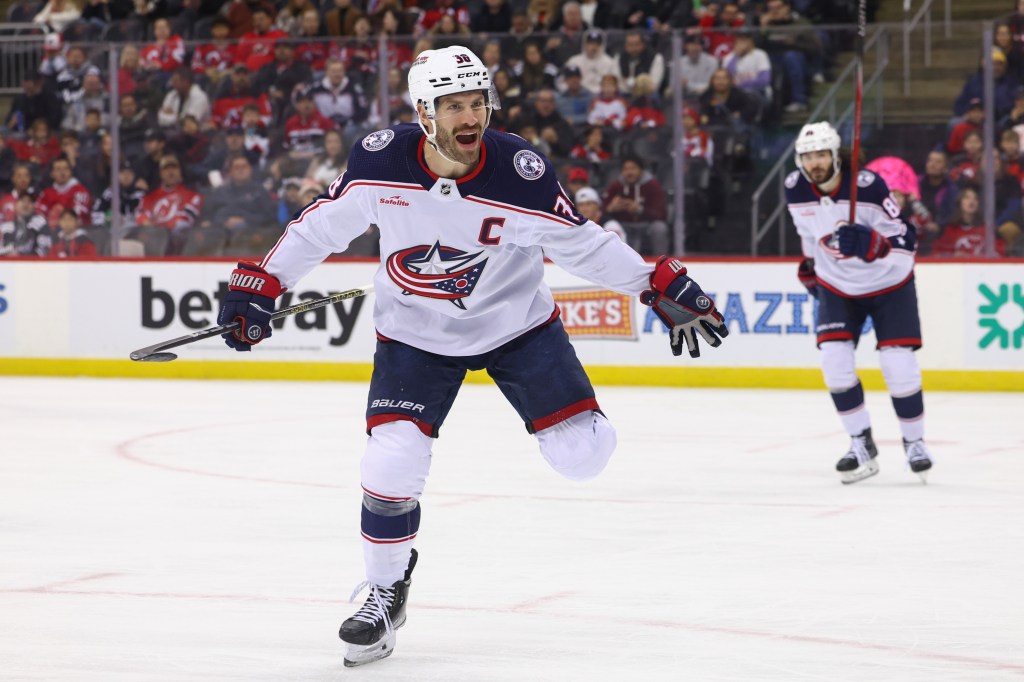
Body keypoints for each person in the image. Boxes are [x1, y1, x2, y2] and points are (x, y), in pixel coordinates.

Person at [212, 45, 729, 668]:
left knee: (584, 456)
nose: (470, 116)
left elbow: (583, 246)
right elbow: (320, 227)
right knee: (391, 460)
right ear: (423, 114)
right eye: (453, 105)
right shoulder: (381, 162)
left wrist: (652, 282)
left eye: (477, 102)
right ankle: (384, 589)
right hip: (416, 332)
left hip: (517, 327)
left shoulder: (519, 172)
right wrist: (264, 282)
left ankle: (566, 426)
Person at [785, 121, 933, 485]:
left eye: (822, 154)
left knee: (898, 366)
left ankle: (915, 443)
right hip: (837, 286)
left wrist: (876, 245)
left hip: (890, 283)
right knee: (834, 363)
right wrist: (810, 265)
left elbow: (907, 240)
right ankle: (860, 442)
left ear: (837, 155)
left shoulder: (868, 187)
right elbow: (808, 234)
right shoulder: (794, 188)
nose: (815, 163)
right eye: (808, 156)